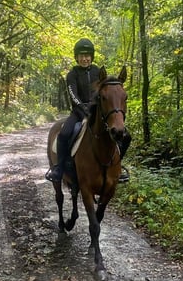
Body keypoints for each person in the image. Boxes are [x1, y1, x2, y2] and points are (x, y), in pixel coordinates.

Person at [46, 38, 131, 183]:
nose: (84, 58)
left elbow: (104, 92)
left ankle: (117, 167)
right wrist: (83, 107)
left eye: (87, 56)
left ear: (91, 56)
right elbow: (73, 95)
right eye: (81, 56)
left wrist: (97, 107)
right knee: (64, 134)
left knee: (126, 136)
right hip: (78, 112)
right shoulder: (72, 74)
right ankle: (59, 168)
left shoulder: (98, 71)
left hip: (96, 112)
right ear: (77, 57)